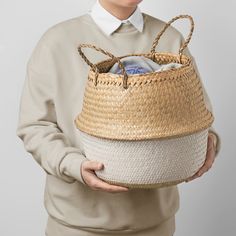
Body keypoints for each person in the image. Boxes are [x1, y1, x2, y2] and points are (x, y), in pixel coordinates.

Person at [16, 0, 221, 235]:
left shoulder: (170, 39)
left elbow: (200, 116)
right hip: (77, 225)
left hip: (155, 224)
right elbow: (35, 126)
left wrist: (208, 143)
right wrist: (74, 165)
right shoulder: (56, 42)